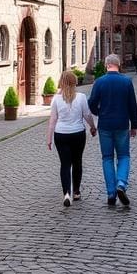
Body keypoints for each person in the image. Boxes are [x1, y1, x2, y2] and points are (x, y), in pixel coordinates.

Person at [87, 53, 137, 207]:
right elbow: (132, 106)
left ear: (106, 65)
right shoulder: (126, 82)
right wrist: (134, 125)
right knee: (123, 156)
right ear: (119, 64)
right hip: (122, 125)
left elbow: (91, 103)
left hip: (105, 126)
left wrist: (99, 112)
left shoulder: (99, 82)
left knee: (107, 158)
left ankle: (111, 193)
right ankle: (121, 183)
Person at [47, 69, 97, 207]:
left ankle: (66, 194)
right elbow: (87, 114)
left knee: (65, 164)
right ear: (75, 82)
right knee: (77, 162)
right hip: (78, 133)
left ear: (61, 83)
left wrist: (49, 138)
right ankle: (76, 191)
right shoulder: (81, 97)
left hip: (61, 134)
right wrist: (92, 127)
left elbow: (53, 120)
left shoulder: (56, 99)